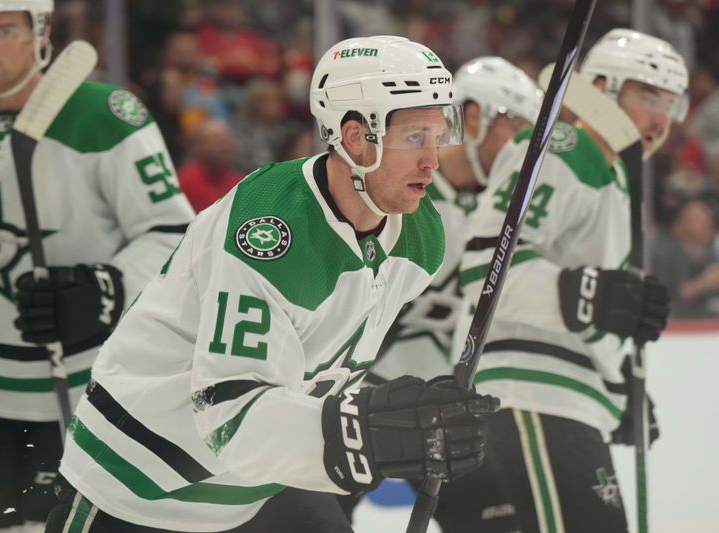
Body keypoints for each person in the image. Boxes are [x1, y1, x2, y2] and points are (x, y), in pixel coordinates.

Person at [44, 35, 499, 533]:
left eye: (439, 134)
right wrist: (364, 434)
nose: (433, 159)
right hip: (140, 481)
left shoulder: (419, 235)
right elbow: (230, 417)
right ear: (354, 138)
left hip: (255, 487)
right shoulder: (267, 233)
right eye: (415, 137)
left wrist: (426, 414)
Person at [0, 1, 194, 531]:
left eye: (3, 30)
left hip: (87, 387)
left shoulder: (106, 113)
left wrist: (108, 286)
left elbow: (175, 235)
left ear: (40, 33)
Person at [447, 29, 687, 532]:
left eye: (671, 105)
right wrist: (588, 294)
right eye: (648, 97)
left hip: (569, 396)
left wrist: (620, 386)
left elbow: (587, 300)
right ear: (599, 85)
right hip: (529, 391)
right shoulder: (566, 144)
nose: (660, 119)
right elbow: (485, 264)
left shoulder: (614, 174)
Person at [368, 56, 543, 384]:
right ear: (475, 119)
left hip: (451, 400)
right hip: (365, 389)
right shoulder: (393, 190)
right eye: (518, 128)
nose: (525, 148)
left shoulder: (512, 208)